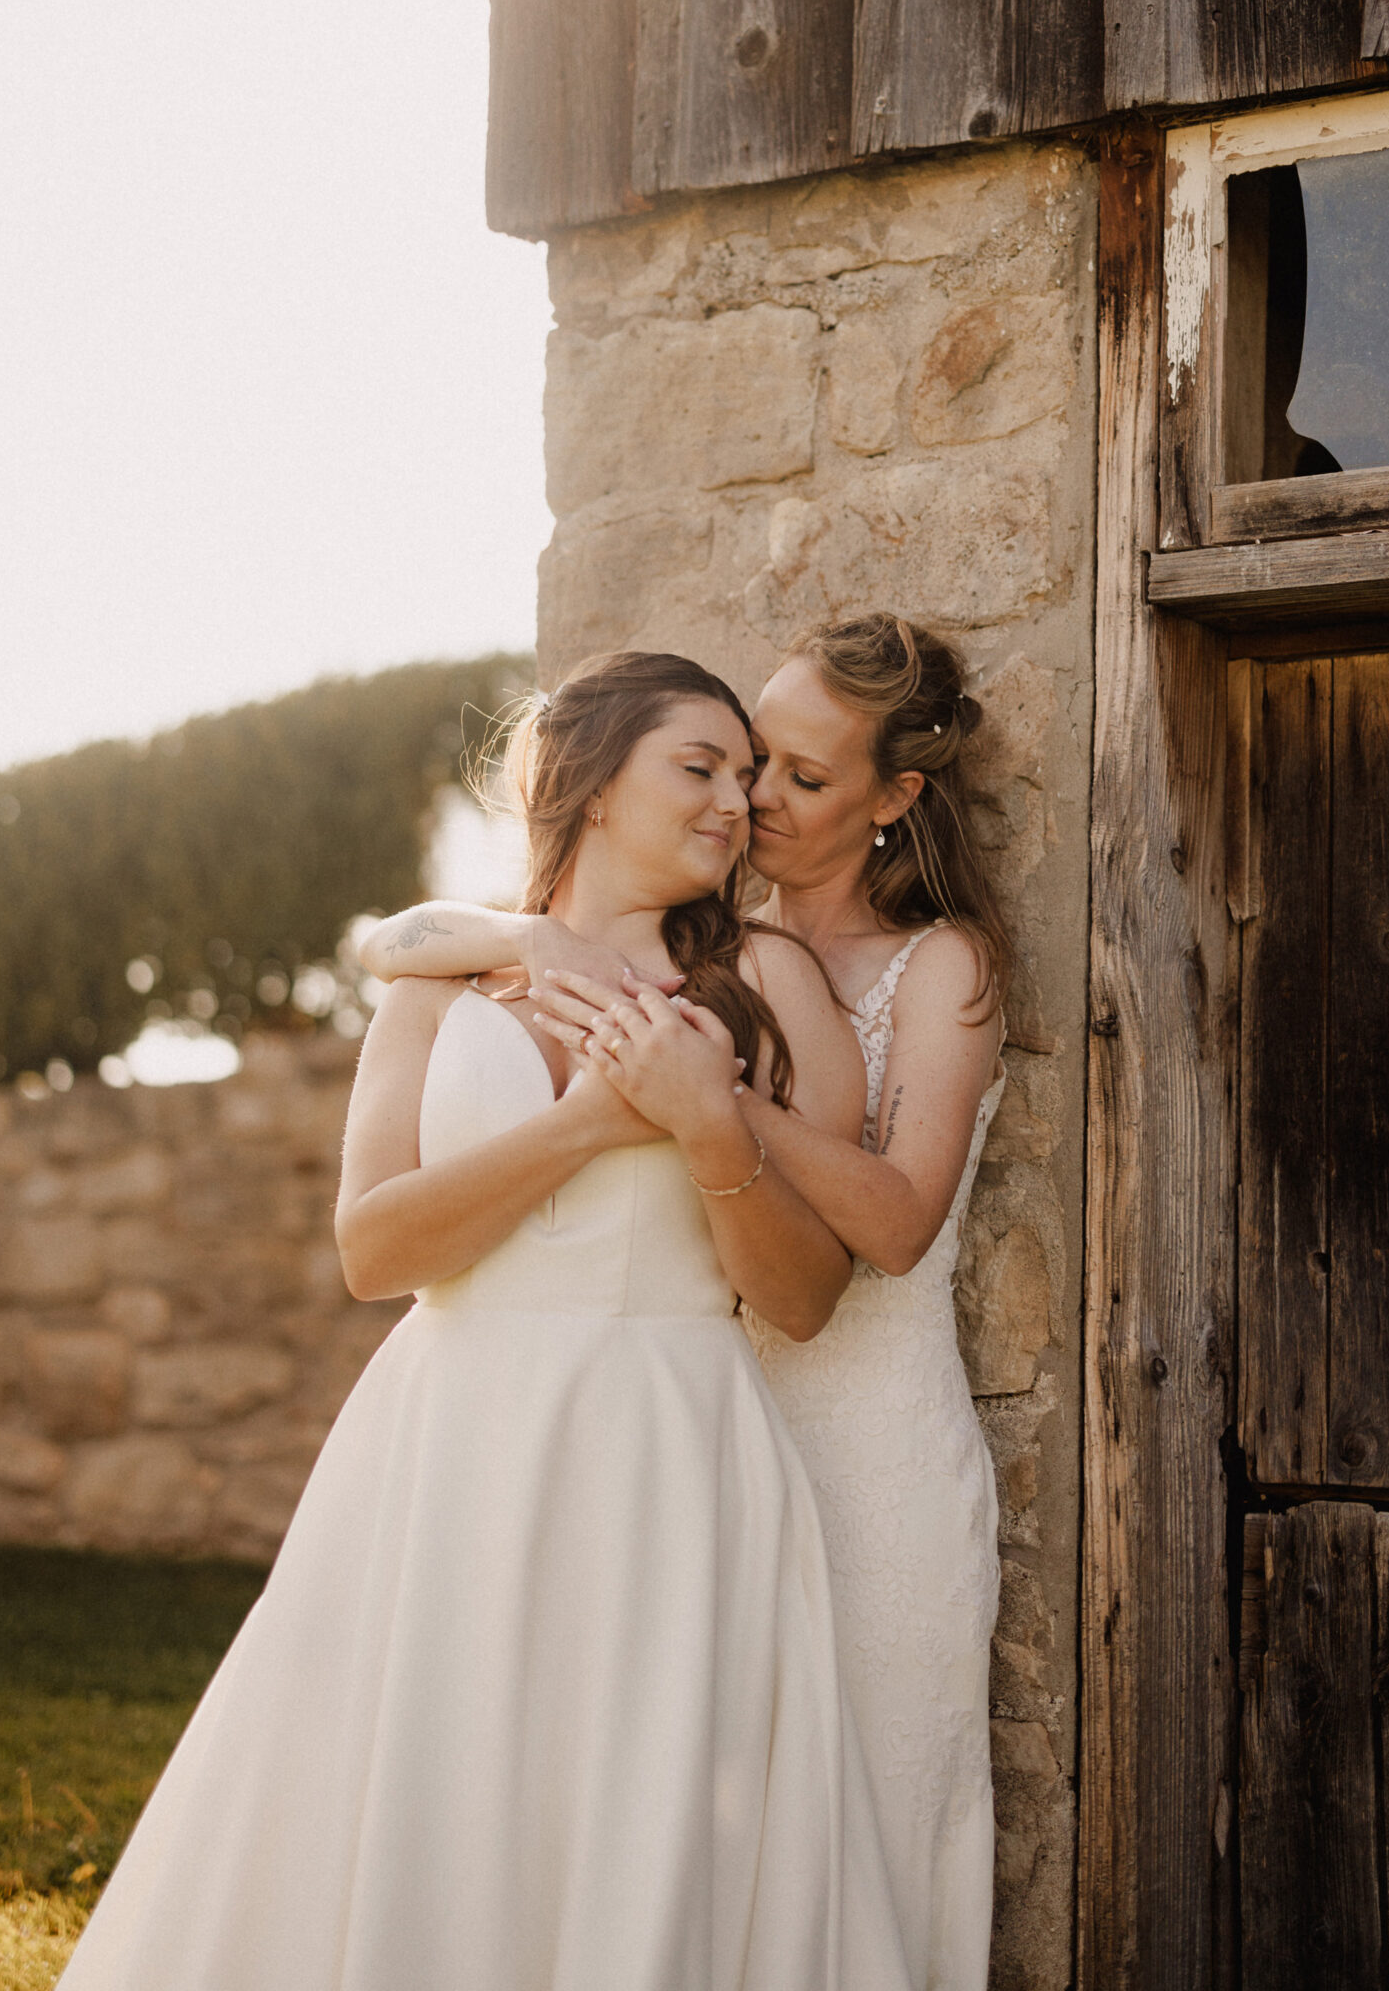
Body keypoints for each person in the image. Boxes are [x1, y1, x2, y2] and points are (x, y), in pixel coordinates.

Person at [59, 650, 914, 1991]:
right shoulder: (445, 980)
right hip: (450, 1439)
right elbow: (374, 1249)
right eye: (700, 767)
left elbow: (804, 1301)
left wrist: (708, 1128)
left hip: (668, 1447)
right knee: (436, 1783)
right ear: (591, 780)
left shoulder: (769, 984)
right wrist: (586, 1124)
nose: (737, 803)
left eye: (748, 776)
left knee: (631, 1804)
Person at [370, 616, 1008, 1991]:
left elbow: (892, 1226)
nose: (752, 799)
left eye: (793, 777)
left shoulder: (916, 967)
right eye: (735, 762)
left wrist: (705, 1103)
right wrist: (528, 941)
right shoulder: (686, 953)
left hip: (844, 1425)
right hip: (682, 1415)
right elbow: (398, 960)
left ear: (894, 798)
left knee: (857, 1823)